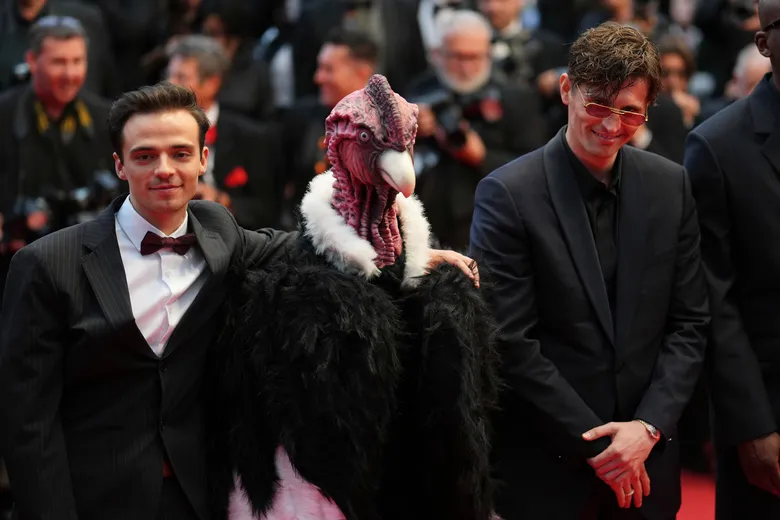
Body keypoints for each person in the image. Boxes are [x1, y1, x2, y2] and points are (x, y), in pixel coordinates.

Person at [0, 81, 479, 520]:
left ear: (203, 160)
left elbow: (309, 247)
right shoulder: (48, 264)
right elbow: (28, 423)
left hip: (199, 497)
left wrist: (412, 252)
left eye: (180, 153)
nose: (165, 170)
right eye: (145, 156)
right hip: (92, 499)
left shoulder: (219, 231)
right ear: (119, 163)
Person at [470, 22, 710, 519]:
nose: (611, 125)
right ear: (566, 90)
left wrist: (646, 429)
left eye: (630, 111)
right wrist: (605, 450)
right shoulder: (508, 194)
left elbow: (689, 325)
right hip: (550, 471)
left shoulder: (672, 186)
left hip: (650, 466)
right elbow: (510, 340)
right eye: (598, 104)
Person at [684, 0, 780, 517]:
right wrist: (751, 427)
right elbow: (712, 301)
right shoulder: (717, 147)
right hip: (768, 414)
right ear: (763, 43)